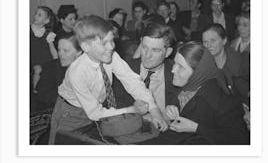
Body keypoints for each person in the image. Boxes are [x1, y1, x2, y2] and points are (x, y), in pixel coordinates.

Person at [49, 15, 167, 144]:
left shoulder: (111, 56)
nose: (111, 47)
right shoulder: (77, 72)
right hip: (71, 115)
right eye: (104, 43)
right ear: (86, 47)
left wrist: (154, 110)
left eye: (112, 41)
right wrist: (130, 110)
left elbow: (132, 82)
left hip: (99, 109)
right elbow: (94, 112)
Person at [139, 42, 249, 145]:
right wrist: (170, 112)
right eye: (175, 63)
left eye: (180, 66)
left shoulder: (218, 99)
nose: (173, 70)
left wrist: (196, 128)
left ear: (198, 71)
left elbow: (240, 140)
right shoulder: (187, 87)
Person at [114, 21, 179, 115]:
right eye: (144, 47)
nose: (147, 55)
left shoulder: (176, 74)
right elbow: (115, 104)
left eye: (155, 50)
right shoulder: (125, 69)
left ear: (168, 52)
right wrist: (132, 110)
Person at [202, 24, 250, 99]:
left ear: (224, 41)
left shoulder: (242, 61)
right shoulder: (202, 67)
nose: (208, 45)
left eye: (213, 40)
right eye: (205, 41)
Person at [36, 34, 82, 108]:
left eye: (66, 51)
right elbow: (42, 94)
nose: (61, 54)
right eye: (59, 50)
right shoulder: (50, 67)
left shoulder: (87, 69)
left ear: (79, 52)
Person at [30, 6, 58, 93]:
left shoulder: (48, 34)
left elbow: (52, 49)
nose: (35, 16)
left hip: (46, 59)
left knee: (51, 70)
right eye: (36, 13)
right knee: (38, 69)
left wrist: (57, 60)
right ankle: (35, 89)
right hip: (34, 59)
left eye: (39, 15)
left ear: (46, 21)